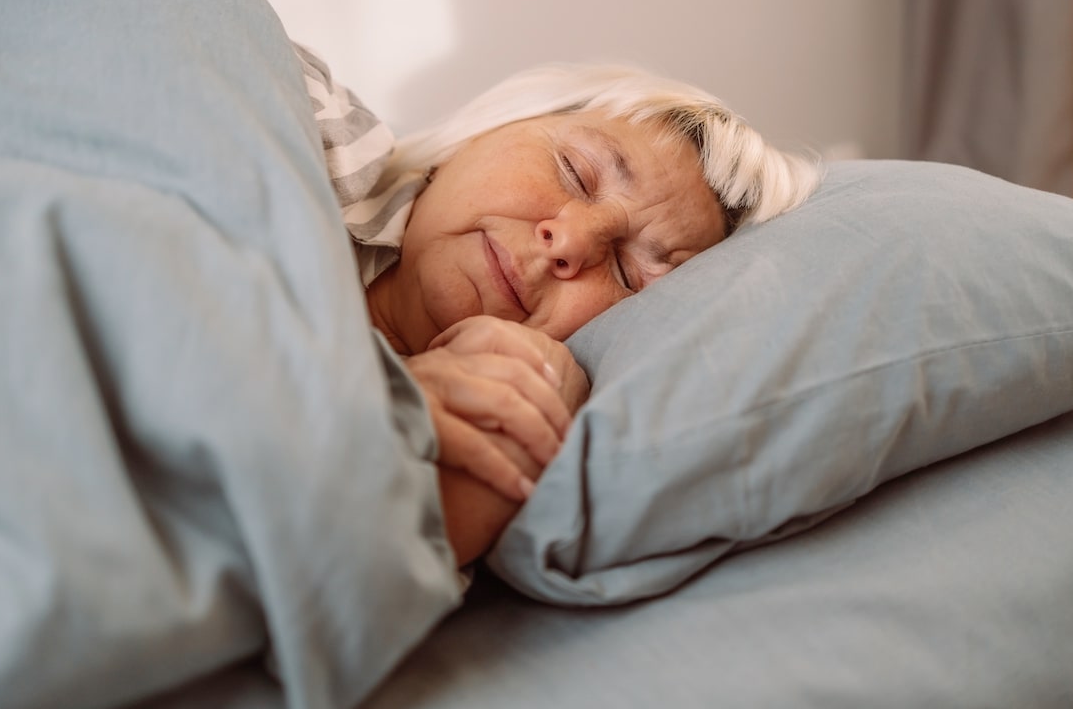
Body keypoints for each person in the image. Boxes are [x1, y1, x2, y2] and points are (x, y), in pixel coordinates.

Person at [299, 51, 822, 564]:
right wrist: (355, 402)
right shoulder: (305, 113)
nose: (569, 242)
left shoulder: (519, 400)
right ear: (489, 130)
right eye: (576, 172)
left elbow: (342, 586)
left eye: (626, 274)